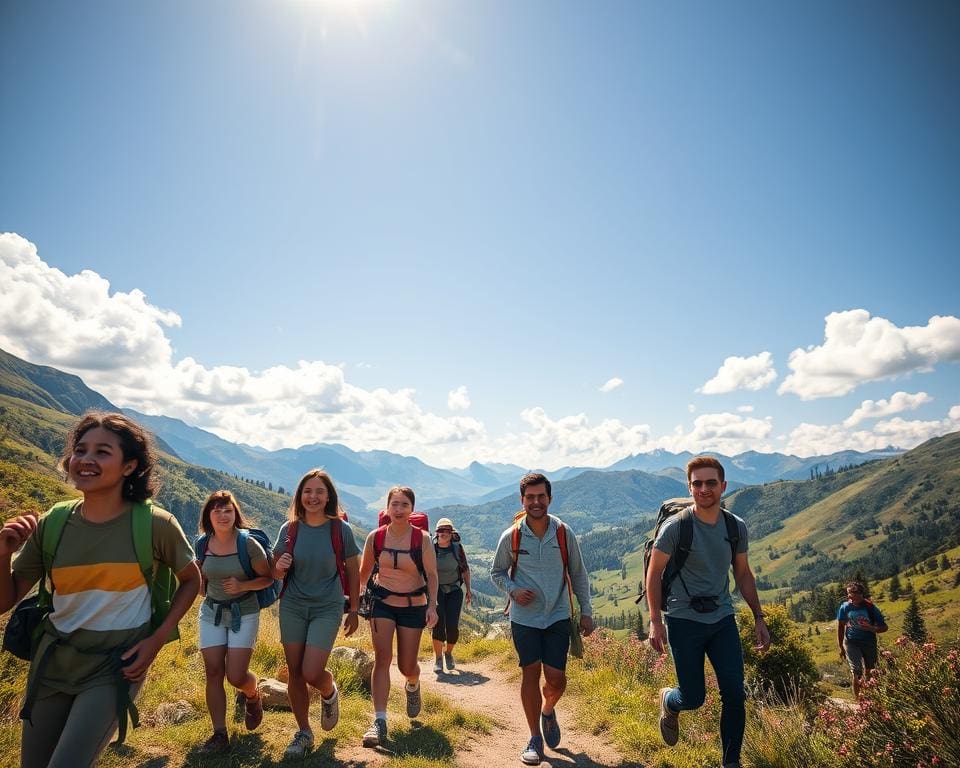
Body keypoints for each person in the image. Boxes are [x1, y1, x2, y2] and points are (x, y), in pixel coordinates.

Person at [0, 411, 200, 768]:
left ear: (129, 466)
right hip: (53, 664)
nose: (86, 459)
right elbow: (5, 600)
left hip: (115, 667)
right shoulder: (53, 523)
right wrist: (3, 555)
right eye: (80, 450)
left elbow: (192, 579)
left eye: (102, 452)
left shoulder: (155, 524)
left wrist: (157, 639)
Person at [646, 456, 770, 768]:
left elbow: (742, 573)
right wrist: (655, 621)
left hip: (722, 618)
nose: (704, 489)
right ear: (689, 487)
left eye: (711, 483)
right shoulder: (676, 527)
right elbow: (654, 573)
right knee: (693, 697)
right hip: (683, 619)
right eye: (697, 483)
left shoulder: (735, 527)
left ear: (723, 486)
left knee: (735, 695)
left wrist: (758, 617)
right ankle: (670, 701)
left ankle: (731, 762)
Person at [490, 473, 594, 767]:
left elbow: (578, 573)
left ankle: (547, 709)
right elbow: (497, 572)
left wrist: (586, 611)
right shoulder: (511, 536)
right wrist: (513, 590)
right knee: (530, 672)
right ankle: (534, 737)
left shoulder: (563, 533)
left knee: (556, 680)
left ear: (549, 498)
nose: (536, 502)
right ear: (522, 500)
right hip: (524, 618)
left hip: (558, 616)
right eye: (530, 497)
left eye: (541, 497)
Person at [272, 469, 361, 758]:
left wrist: (354, 609)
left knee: (311, 671)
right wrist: (279, 567)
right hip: (293, 605)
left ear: (328, 496)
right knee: (295, 672)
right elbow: (275, 571)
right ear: (300, 496)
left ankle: (328, 690)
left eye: (319, 491)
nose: (313, 497)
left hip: (327, 606)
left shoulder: (340, 530)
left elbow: (353, 570)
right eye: (307, 491)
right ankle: (304, 732)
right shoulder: (289, 530)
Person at [357, 486, 438, 748]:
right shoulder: (376, 537)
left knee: (406, 666)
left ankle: (412, 684)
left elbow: (432, 575)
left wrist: (432, 606)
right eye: (395, 504)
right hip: (382, 604)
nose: (399, 509)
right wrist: (354, 602)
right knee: (382, 659)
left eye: (404, 505)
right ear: (387, 508)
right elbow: (363, 573)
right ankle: (379, 721)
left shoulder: (422, 539)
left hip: (413, 606)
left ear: (412, 509)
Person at [195, 490, 274, 754]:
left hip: (245, 612)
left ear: (235, 513)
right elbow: (202, 586)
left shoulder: (248, 544)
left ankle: (252, 695)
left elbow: (267, 578)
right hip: (212, 612)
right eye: (217, 511)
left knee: (236, 676)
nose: (222, 515)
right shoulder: (202, 544)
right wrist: (198, 580)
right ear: (208, 515)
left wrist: (243, 586)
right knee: (213, 672)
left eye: (227, 510)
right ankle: (219, 734)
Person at [431, 517, 472, 673]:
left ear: (452, 533)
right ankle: (438, 658)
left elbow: (465, 569)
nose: (444, 533)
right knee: (438, 624)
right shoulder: (430, 549)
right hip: (436, 591)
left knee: (452, 626)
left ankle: (448, 653)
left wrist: (468, 589)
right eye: (441, 530)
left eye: (447, 530)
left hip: (454, 590)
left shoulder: (457, 548)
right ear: (436, 533)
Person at [837, 580, 887, 697]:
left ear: (861, 594)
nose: (849, 596)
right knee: (857, 671)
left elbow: (884, 627)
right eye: (848, 593)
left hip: (869, 642)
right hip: (851, 642)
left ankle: (871, 697)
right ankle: (859, 701)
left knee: (871, 671)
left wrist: (871, 628)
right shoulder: (845, 607)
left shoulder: (870, 608)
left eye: (852, 593)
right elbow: (841, 627)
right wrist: (841, 647)